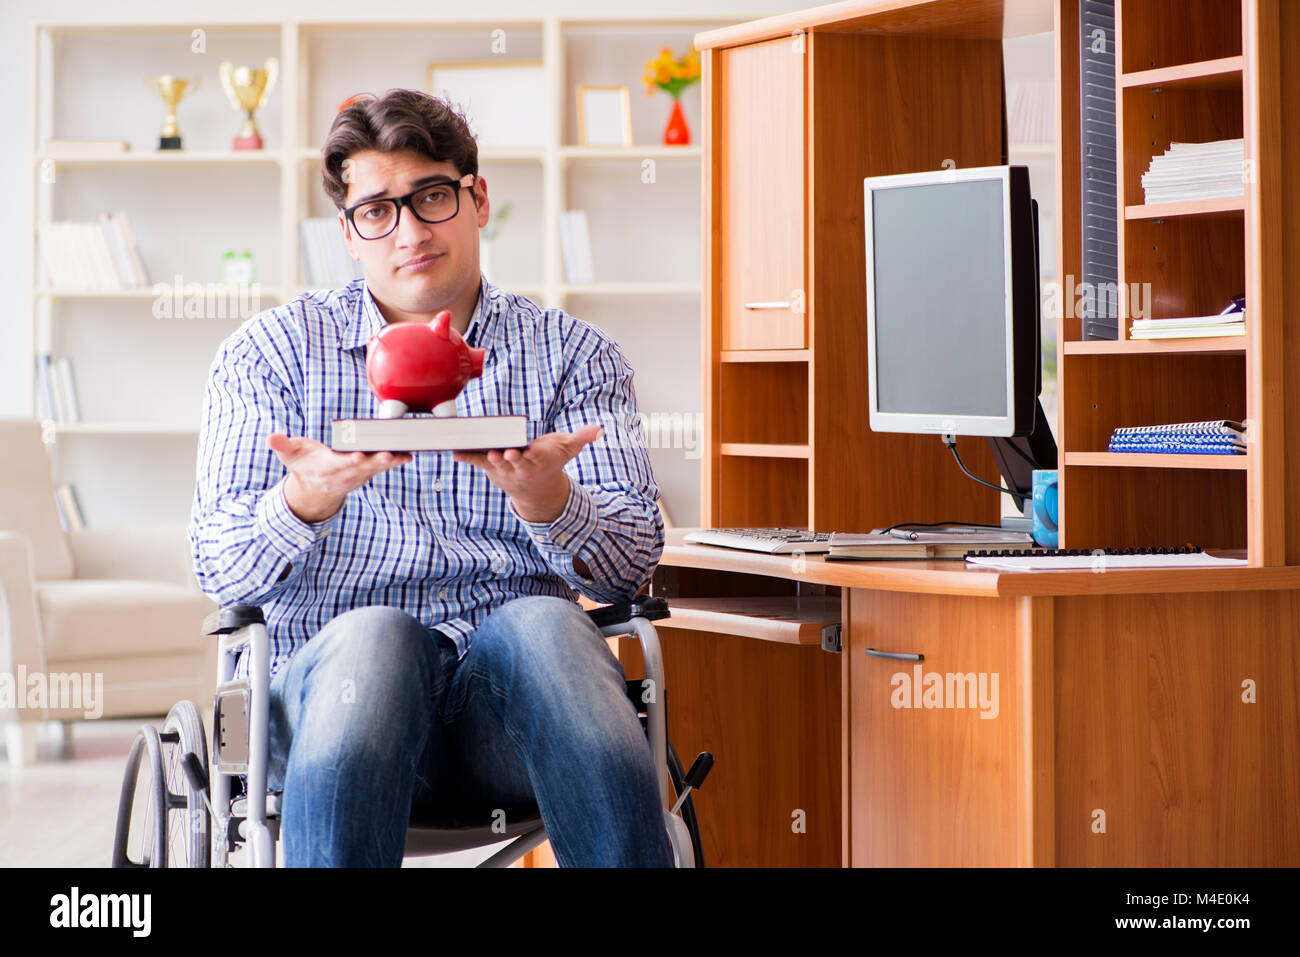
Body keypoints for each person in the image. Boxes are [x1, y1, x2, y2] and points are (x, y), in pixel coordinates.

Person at [187, 89, 674, 867]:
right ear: (348, 233)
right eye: (377, 210)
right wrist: (301, 502)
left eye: (432, 197)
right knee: (378, 637)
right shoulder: (271, 355)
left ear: (477, 198)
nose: (409, 231)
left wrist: (553, 501)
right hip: (335, 711)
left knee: (550, 625)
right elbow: (217, 566)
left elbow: (633, 566)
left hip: (507, 720)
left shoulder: (576, 358)